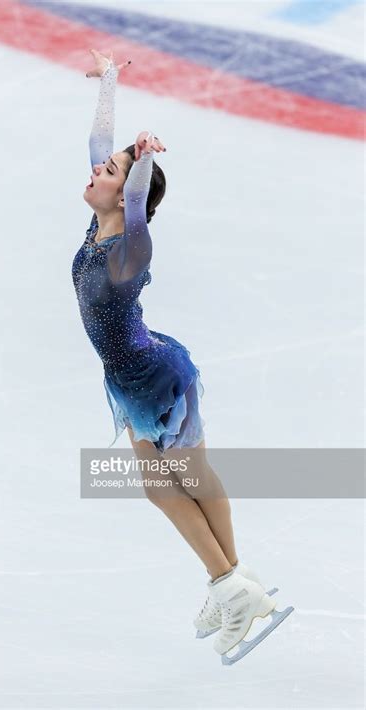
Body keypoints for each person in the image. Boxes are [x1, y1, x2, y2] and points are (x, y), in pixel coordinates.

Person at [72, 49, 293, 664]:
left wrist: (140, 161)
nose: (95, 172)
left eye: (108, 172)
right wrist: (111, 80)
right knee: (170, 484)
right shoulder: (101, 226)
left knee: (178, 483)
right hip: (130, 376)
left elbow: (137, 200)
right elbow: (99, 141)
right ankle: (234, 586)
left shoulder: (129, 249)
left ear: (126, 193)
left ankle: (230, 586)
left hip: (156, 381)